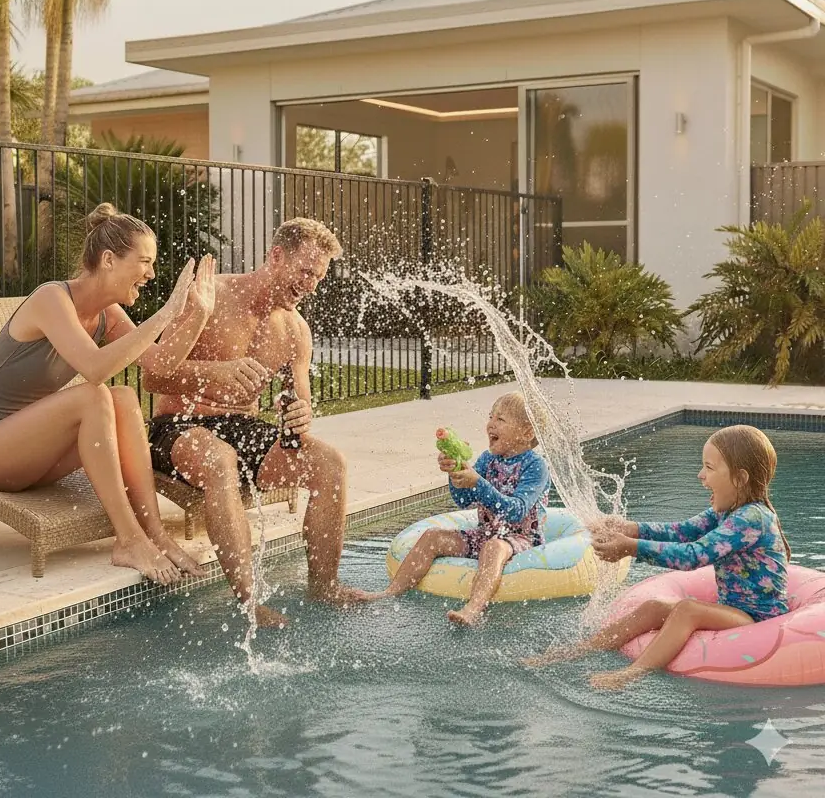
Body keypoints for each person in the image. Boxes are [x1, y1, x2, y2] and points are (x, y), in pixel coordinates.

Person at [0, 202, 216, 585]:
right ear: (108, 260)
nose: (151, 274)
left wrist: (198, 314)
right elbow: (94, 368)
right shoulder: (51, 299)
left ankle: (154, 535)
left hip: (27, 456)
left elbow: (161, 364)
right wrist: (167, 314)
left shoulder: (107, 314)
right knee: (94, 394)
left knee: (122, 398)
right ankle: (129, 539)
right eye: (144, 262)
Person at [140, 217, 361, 626]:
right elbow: (152, 375)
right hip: (179, 423)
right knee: (220, 459)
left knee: (331, 464)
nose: (311, 284)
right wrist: (215, 373)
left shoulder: (295, 329)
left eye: (319, 276)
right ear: (276, 257)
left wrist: (299, 414)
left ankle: (324, 585)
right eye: (305, 271)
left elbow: (302, 401)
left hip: (243, 428)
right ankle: (249, 602)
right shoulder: (212, 295)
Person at [523, 424, 790, 690]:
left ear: (740, 478)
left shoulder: (752, 518)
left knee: (687, 609)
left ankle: (630, 674)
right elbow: (682, 532)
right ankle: (579, 650)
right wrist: (628, 528)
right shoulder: (726, 511)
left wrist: (631, 547)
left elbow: (694, 555)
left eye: (709, 468)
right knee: (654, 607)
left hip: (757, 618)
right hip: (732, 608)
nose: (700, 475)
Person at [353, 392, 550, 628]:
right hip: (486, 533)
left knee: (494, 547)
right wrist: (454, 474)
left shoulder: (535, 466)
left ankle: (474, 608)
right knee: (432, 537)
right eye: (490, 417)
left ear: (527, 433)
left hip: (521, 539)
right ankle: (390, 592)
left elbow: (516, 512)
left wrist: (478, 482)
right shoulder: (488, 459)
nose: (490, 424)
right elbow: (463, 500)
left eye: (501, 420)